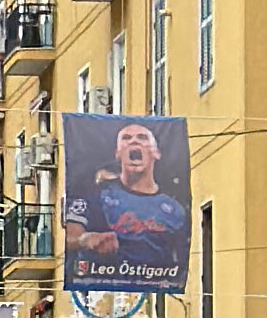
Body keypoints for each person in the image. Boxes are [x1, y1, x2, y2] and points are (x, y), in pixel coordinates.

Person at [65, 118, 189, 282]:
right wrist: (85, 240)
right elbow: (70, 234)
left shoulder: (174, 210)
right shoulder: (96, 194)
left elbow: (183, 257)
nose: (134, 141)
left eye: (142, 138)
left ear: (156, 153)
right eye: (126, 138)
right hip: (99, 283)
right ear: (118, 153)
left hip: (151, 284)